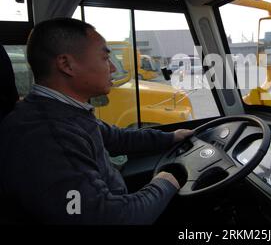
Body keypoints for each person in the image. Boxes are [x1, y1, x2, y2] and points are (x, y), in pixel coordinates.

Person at [0, 18, 193, 224]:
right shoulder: (47, 136)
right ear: (66, 65)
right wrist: (164, 182)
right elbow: (108, 218)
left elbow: (116, 137)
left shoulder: (62, 111)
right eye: (104, 58)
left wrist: (171, 136)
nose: (111, 68)